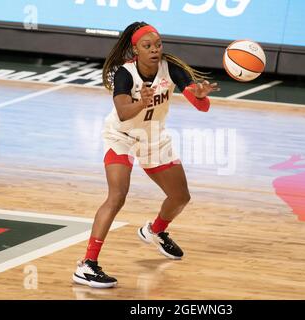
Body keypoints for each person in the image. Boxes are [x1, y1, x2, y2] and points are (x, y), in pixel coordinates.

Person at [73, 21, 219, 288]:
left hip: (153, 137)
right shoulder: (125, 75)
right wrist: (142, 101)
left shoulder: (170, 67)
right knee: (117, 196)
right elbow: (123, 113)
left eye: (158, 45)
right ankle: (87, 265)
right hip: (122, 137)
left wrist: (200, 95)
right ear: (135, 49)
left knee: (180, 197)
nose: (155, 50)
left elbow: (202, 107)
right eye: (147, 46)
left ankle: (155, 231)